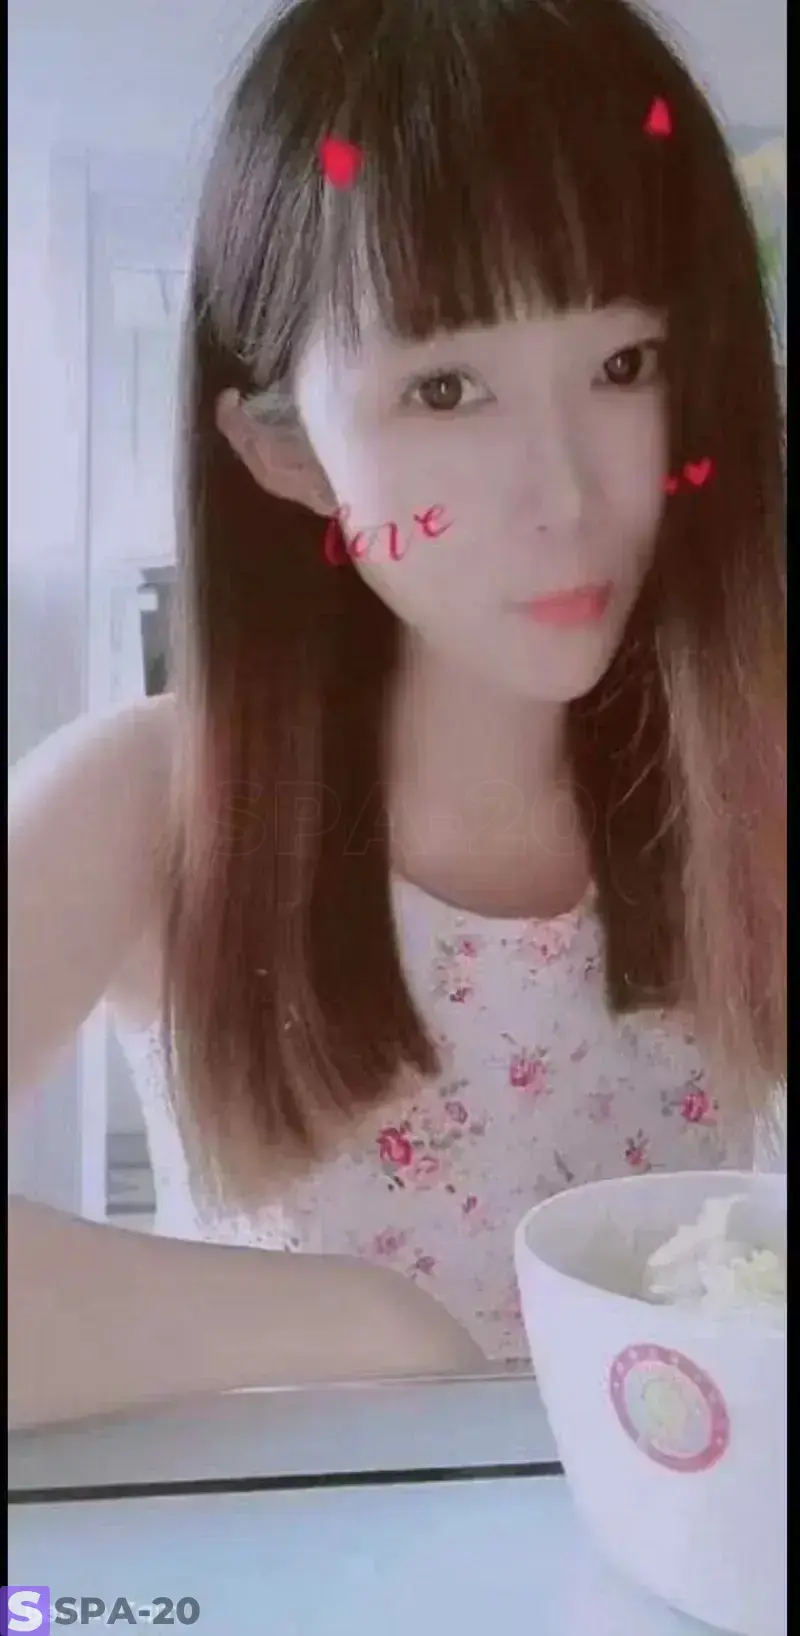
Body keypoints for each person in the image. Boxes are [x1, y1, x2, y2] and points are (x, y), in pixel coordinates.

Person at [9, 0, 786, 1429]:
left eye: (625, 365)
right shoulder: (147, 803)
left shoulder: (749, 778)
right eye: (445, 388)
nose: (564, 496)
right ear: (284, 449)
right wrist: (365, 1328)